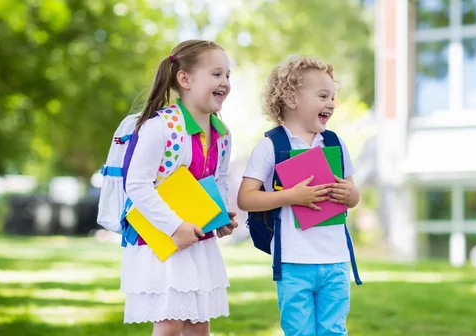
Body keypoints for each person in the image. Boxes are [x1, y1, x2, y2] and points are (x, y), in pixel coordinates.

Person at [237, 55, 360, 336]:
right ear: (292, 98)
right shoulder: (270, 146)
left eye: (333, 97)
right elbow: (246, 198)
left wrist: (350, 194)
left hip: (335, 259)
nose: (331, 103)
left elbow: (353, 196)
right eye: (322, 96)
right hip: (294, 261)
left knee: (334, 330)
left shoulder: (335, 143)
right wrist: (291, 196)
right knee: (299, 331)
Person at [121, 40, 237, 336]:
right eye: (216, 74)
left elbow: (218, 181)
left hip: (197, 242)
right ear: (184, 79)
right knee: (169, 326)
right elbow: (136, 183)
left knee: (199, 328)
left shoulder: (222, 135)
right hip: (163, 240)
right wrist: (174, 226)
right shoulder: (160, 127)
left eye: (227, 75)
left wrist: (220, 216)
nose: (225, 82)